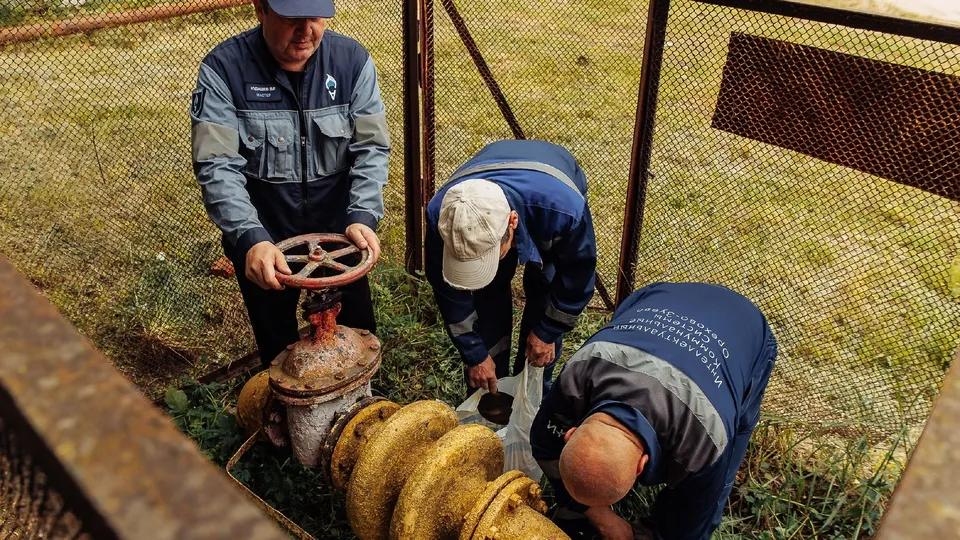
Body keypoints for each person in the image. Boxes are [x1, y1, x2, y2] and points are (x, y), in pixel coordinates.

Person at [189, 0, 390, 367]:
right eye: (291, 18)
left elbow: (371, 147)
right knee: (278, 353)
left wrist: (362, 216)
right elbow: (217, 165)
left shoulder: (352, 62)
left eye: (315, 17)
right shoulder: (224, 70)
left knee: (358, 338)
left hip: (340, 234)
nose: (305, 31)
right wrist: (250, 238)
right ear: (260, 9)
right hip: (266, 234)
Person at [530, 282, 778, 540]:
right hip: (660, 297)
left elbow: (688, 531)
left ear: (642, 465)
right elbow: (544, 444)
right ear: (569, 433)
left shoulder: (704, 442)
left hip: (746, 329)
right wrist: (603, 519)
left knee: (713, 483)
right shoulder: (578, 373)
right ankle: (579, 511)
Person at [425, 139, 597, 396]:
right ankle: (490, 389)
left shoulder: (563, 212)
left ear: (512, 222)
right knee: (487, 295)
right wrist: (475, 354)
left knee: (545, 285)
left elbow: (576, 278)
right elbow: (448, 291)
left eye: (487, 256)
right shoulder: (445, 215)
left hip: (548, 194)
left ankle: (530, 394)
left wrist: (547, 332)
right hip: (502, 176)